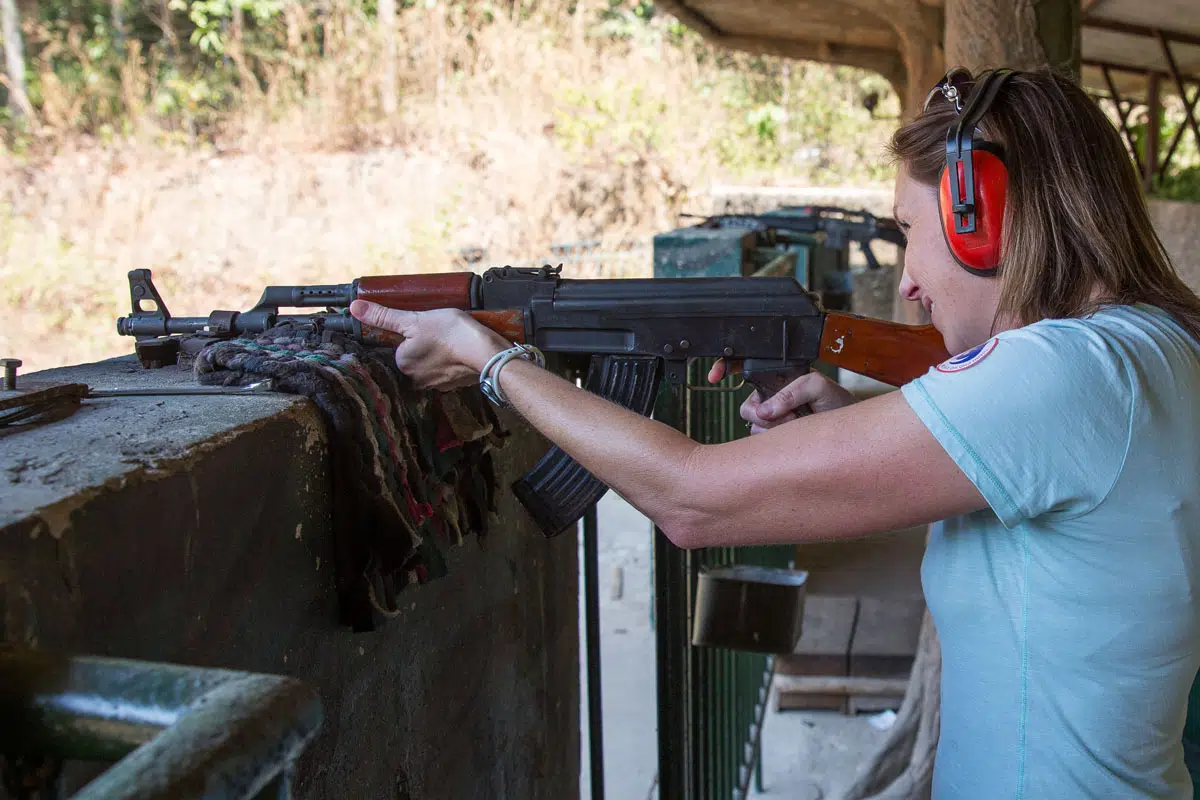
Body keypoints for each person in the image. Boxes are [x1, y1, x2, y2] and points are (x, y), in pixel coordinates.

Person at [350, 67, 1200, 799]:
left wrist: (493, 363)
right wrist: (850, 428)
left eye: (910, 233)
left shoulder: (1062, 373)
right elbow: (1055, 528)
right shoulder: (1149, 349)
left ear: (986, 219)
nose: (908, 283)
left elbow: (692, 501)